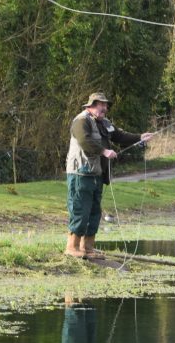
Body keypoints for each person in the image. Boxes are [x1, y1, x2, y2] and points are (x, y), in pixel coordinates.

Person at [65, 92, 153, 259]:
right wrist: (104, 151)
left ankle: (88, 247)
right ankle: (72, 247)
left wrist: (140, 137)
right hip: (80, 174)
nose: (104, 108)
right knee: (80, 210)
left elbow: (119, 136)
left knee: (94, 212)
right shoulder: (81, 121)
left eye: (105, 105)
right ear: (90, 105)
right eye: (101, 105)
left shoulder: (104, 123)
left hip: (97, 174)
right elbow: (85, 141)